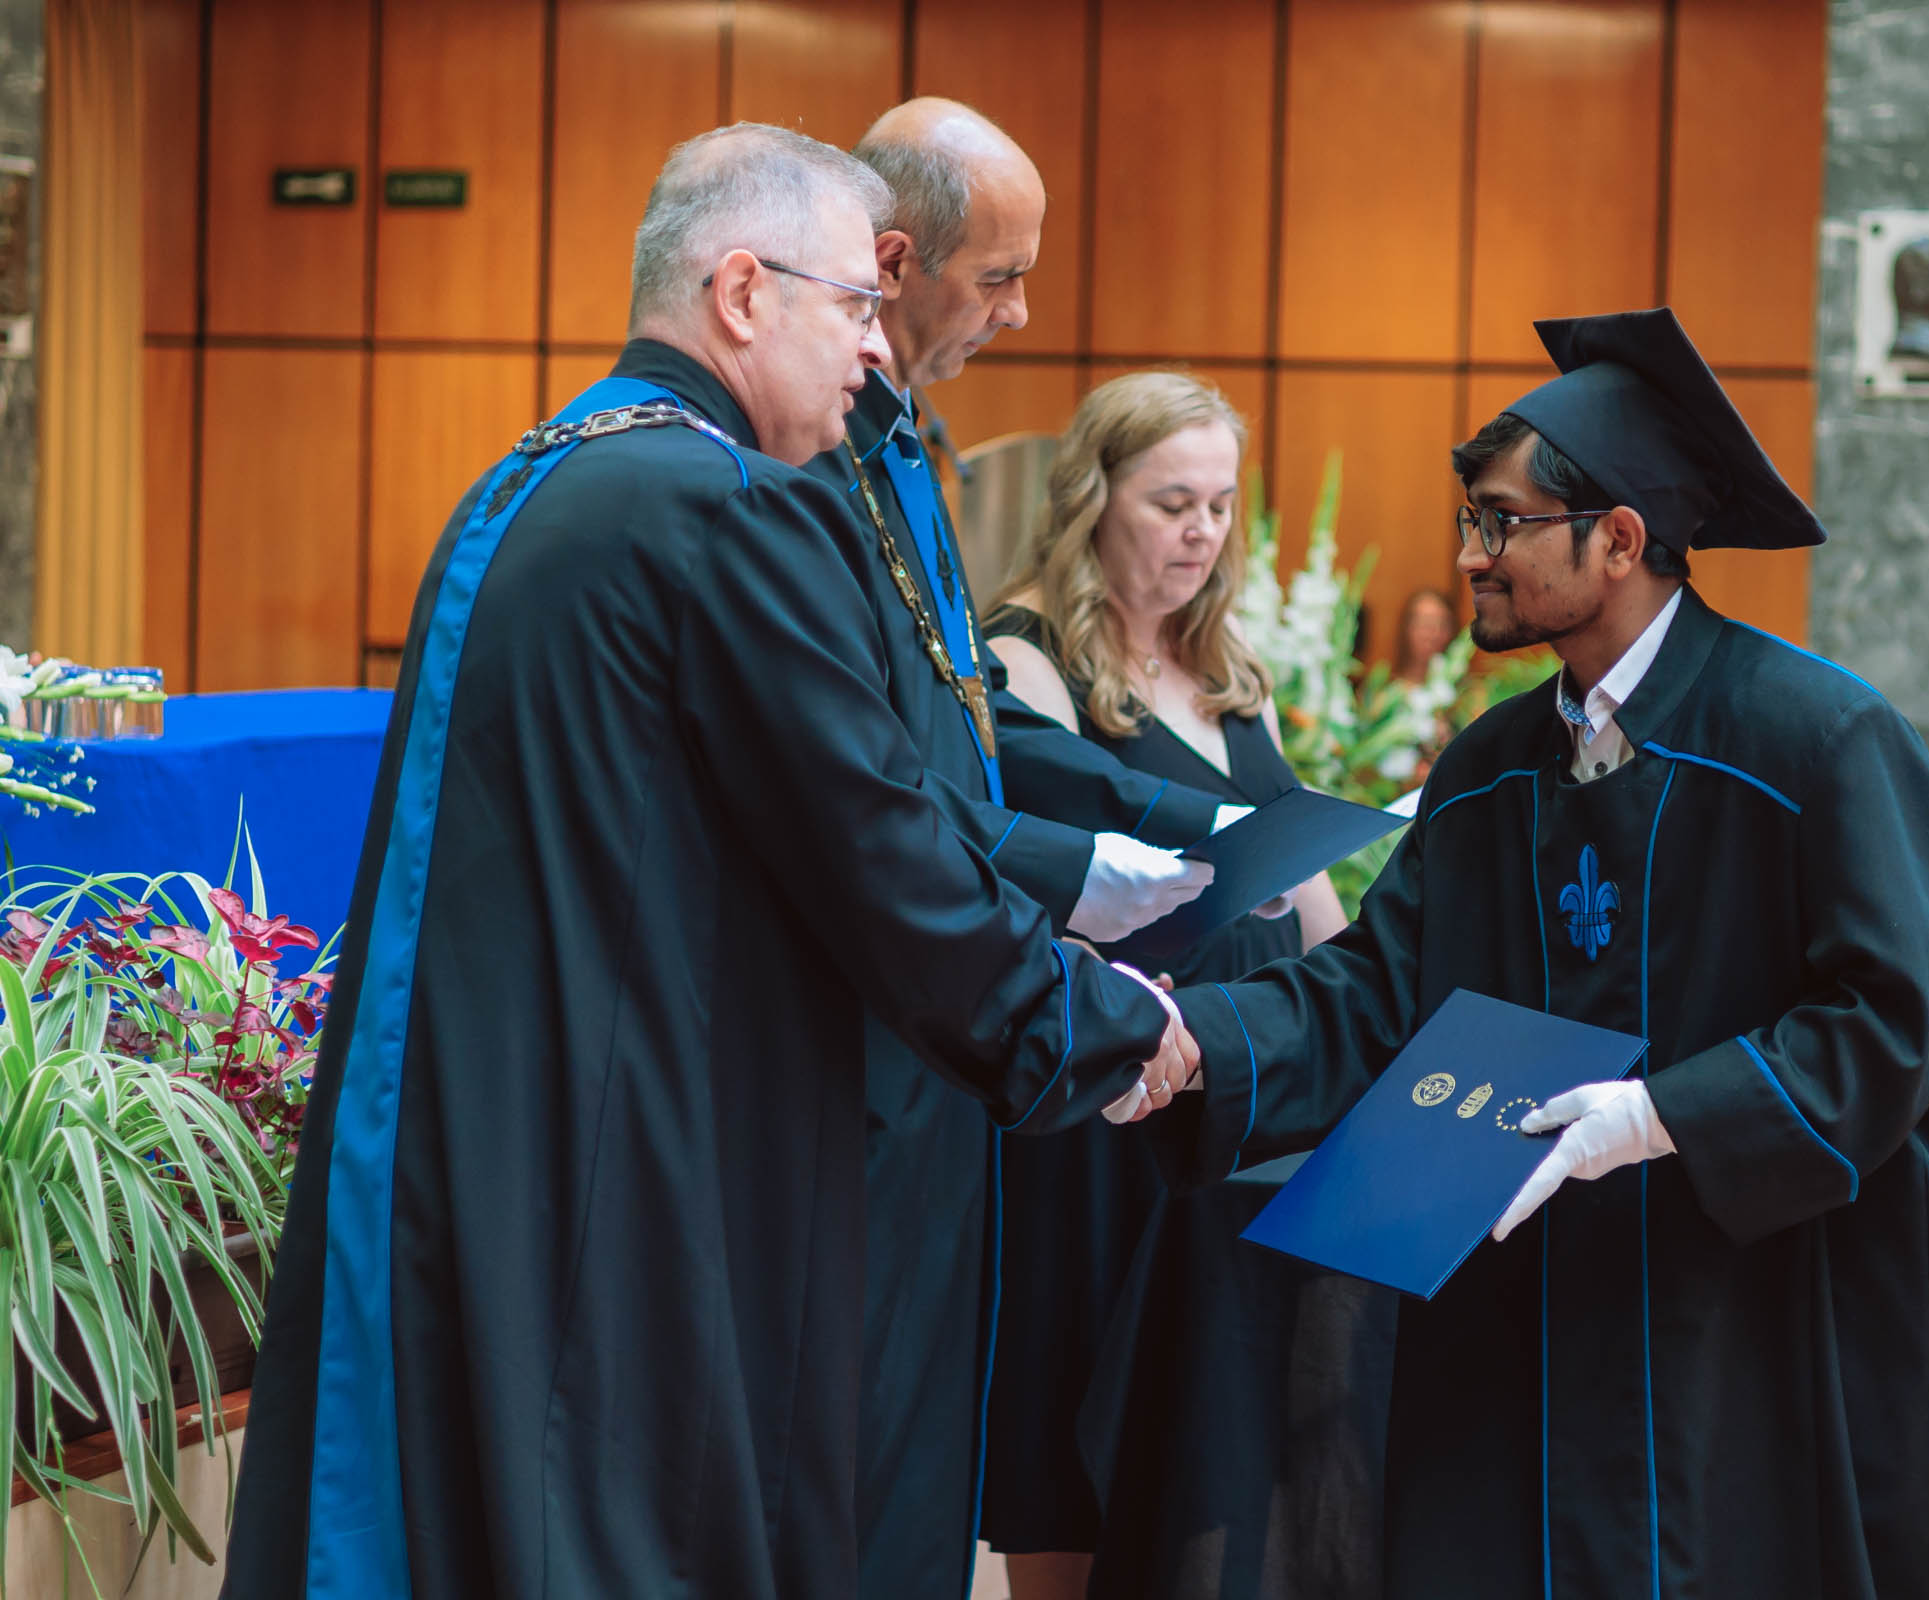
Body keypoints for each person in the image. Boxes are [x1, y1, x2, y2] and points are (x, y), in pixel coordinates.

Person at [220, 125, 1200, 1600]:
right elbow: (877, 846)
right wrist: (1097, 1021)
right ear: (743, 293)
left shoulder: (532, 479)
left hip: (483, 1129)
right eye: (854, 306)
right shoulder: (727, 507)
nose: (873, 350)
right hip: (629, 1153)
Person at [1152, 308, 1929, 1598]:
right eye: (1472, 521)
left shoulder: (1815, 743)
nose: (1468, 556)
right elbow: (1374, 994)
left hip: (1733, 1322)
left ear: (1618, 541)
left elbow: (1899, 1022)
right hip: (1519, 1319)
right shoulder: (1489, 769)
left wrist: (1659, 1116)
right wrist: (1188, 1038)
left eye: (1501, 523)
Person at [795, 97, 1235, 1600]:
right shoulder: (810, 455)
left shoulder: (900, 443)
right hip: (879, 1023)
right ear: (896, 261)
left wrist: (1155, 830)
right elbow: (872, 774)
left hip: (945, 1024)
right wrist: (1074, 871)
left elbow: (955, 721)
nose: (1022, 313)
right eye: (1000, 278)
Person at [980, 371, 1363, 1599]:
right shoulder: (1023, 659)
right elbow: (1026, 891)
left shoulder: (1226, 665)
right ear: (1093, 498)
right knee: (1081, 1420)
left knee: (1216, 1421)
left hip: (1242, 1084)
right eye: (1172, 502)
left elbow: (1309, 888)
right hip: (1108, 1093)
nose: (1203, 532)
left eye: (1220, 504)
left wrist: (1365, 1030)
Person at [1391, 586, 1460, 685]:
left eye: (1443, 625)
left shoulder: (1465, 691)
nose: (1435, 634)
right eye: (1426, 624)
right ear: (1407, 628)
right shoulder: (1386, 691)